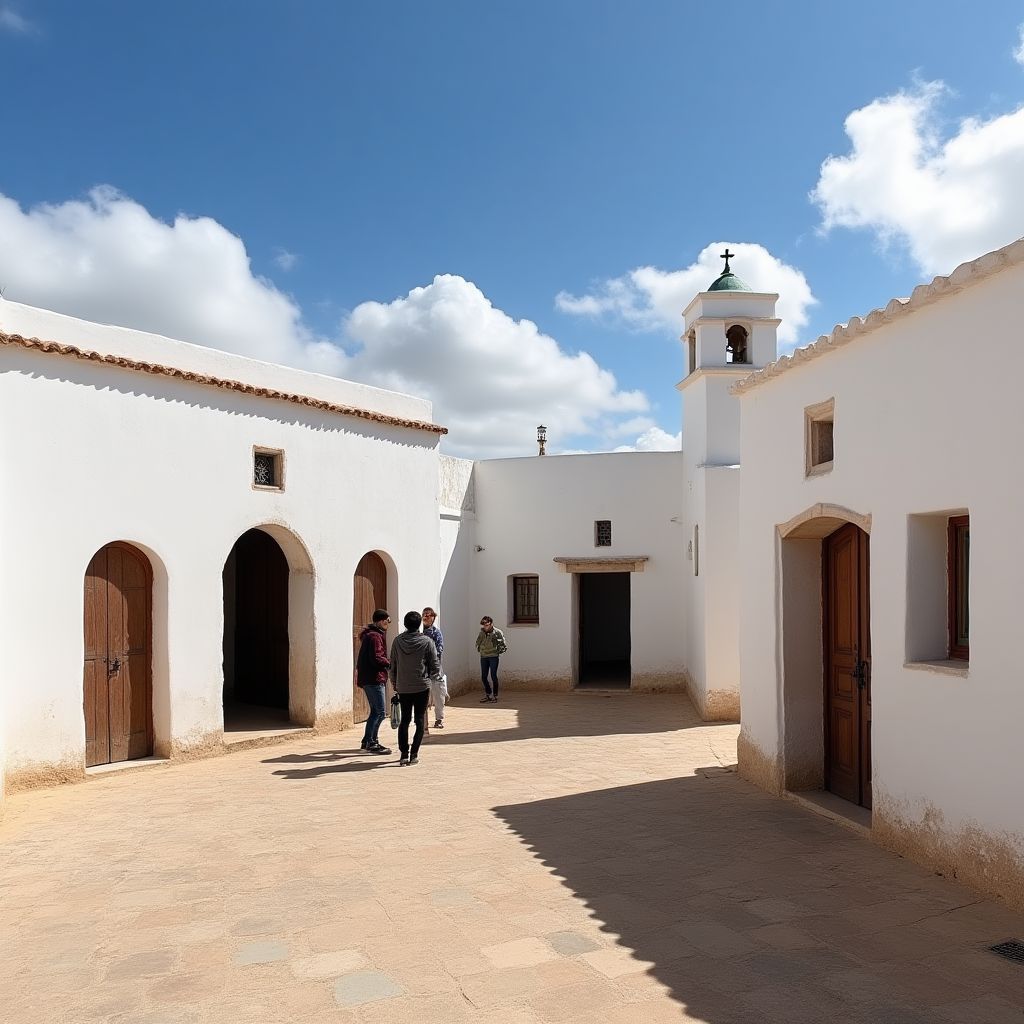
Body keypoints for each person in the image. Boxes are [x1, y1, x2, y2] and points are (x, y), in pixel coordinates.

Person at [390, 610, 441, 765]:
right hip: (421, 686)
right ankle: (414, 754)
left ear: (405, 624)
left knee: (404, 720)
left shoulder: (397, 641)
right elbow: (435, 665)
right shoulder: (426, 642)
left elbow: (393, 664)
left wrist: (394, 682)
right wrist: (432, 677)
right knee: (419, 720)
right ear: (419, 624)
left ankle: (404, 753)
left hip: (403, 686)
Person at [356, 609, 392, 755]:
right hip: (374, 678)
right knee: (380, 712)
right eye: (386, 621)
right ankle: (372, 742)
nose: (388, 624)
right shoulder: (375, 637)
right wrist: (390, 663)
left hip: (369, 678)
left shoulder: (370, 635)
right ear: (380, 621)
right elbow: (376, 658)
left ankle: (367, 740)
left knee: (375, 711)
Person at [422, 606, 448, 729]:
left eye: (429, 615)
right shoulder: (419, 633)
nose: (426, 617)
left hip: (435, 669)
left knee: (438, 695)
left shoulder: (436, 633)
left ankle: (439, 719)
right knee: (423, 697)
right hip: (422, 671)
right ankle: (423, 721)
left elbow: (439, 649)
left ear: (433, 617)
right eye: (424, 615)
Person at [475, 615, 506, 703]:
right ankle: (488, 694)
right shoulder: (481, 632)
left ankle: (495, 695)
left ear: (491, 624)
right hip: (484, 656)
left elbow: (503, 644)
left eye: (487, 625)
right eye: (483, 625)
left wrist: (498, 651)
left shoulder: (497, 632)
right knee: (483, 677)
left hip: (493, 656)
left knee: (493, 675)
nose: (485, 627)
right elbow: (478, 642)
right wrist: (480, 649)